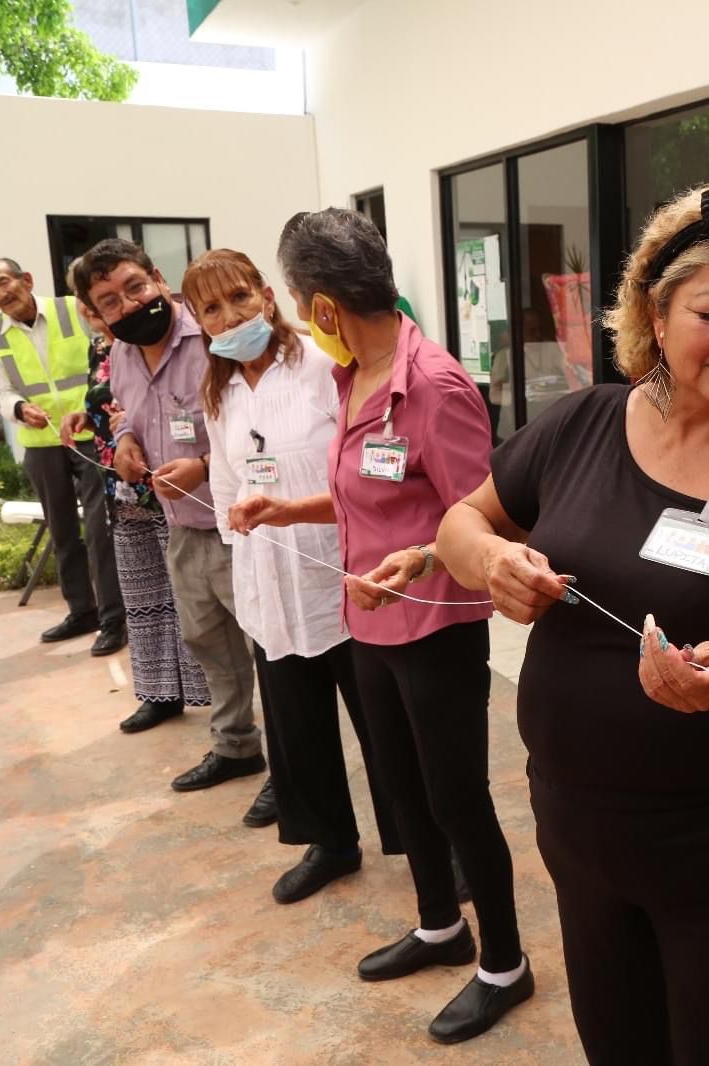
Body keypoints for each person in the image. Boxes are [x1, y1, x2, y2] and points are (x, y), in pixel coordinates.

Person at [433, 182, 709, 1065]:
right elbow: (462, 520)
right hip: (576, 821)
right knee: (617, 1042)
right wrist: (491, 563)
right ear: (654, 307)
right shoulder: (584, 423)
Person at [229, 208, 528, 1044]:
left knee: (456, 798)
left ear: (323, 303)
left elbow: (487, 515)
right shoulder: (348, 375)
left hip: (434, 626)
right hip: (367, 622)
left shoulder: (429, 385)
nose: (292, 315)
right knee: (398, 786)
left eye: (294, 298)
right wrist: (286, 508)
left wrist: (426, 561)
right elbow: (371, 492)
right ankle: (441, 926)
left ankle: (504, 963)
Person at [182, 247, 401, 900]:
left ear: (268, 295)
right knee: (296, 729)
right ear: (199, 321)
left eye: (240, 297)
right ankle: (329, 842)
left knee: (384, 724)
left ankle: (423, 842)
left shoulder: (322, 365)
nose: (231, 316)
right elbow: (225, 481)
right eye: (213, 308)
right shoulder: (219, 390)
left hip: (345, 573)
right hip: (268, 584)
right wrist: (239, 538)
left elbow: (372, 469)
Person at [72, 240, 270, 814]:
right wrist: (129, 441)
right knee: (209, 642)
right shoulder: (124, 355)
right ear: (97, 313)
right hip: (181, 526)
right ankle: (236, 747)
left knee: (271, 653)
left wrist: (206, 466)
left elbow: (259, 425)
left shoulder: (214, 339)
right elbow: (131, 413)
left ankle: (294, 770)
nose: (129, 304)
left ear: (157, 278)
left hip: (245, 525)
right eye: (109, 300)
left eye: (135, 286)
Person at [58, 271, 212, 733]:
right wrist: (102, 423)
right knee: (144, 600)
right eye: (99, 303)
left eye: (129, 292)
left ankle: (212, 702)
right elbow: (116, 406)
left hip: (175, 488)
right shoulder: (107, 350)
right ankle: (159, 694)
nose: (115, 309)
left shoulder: (184, 339)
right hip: (124, 488)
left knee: (189, 600)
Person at [0, 258, 126, 655]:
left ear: (26, 280)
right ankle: (82, 611)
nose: (0, 293)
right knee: (62, 531)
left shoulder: (68, 309)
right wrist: (21, 409)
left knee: (99, 529)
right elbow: (1, 391)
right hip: (40, 442)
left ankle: (114, 619)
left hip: (89, 433)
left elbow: (102, 359)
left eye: (4, 281)